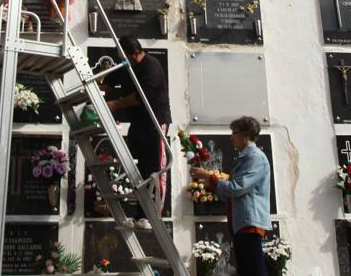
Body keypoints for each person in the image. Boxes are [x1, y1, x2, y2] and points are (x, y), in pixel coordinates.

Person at [190, 116, 271, 276]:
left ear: (246, 135)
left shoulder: (255, 158)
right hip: (241, 224)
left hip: (250, 224)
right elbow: (233, 195)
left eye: (234, 132)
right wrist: (210, 184)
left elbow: (237, 188)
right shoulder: (244, 158)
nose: (231, 137)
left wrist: (210, 177)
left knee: (255, 271)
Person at [106, 35, 171, 227]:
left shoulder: (152, 66)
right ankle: (140, 214)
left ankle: (152, 215)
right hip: (138, 124)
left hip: (155, 123)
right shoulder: (128, 65)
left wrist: (115, 104)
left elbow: (141, 97)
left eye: (125, 56)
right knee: (138, 170)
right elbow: (111, 80)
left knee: (153, 169)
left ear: (135, 53)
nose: (123, 60)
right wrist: (102, 90)